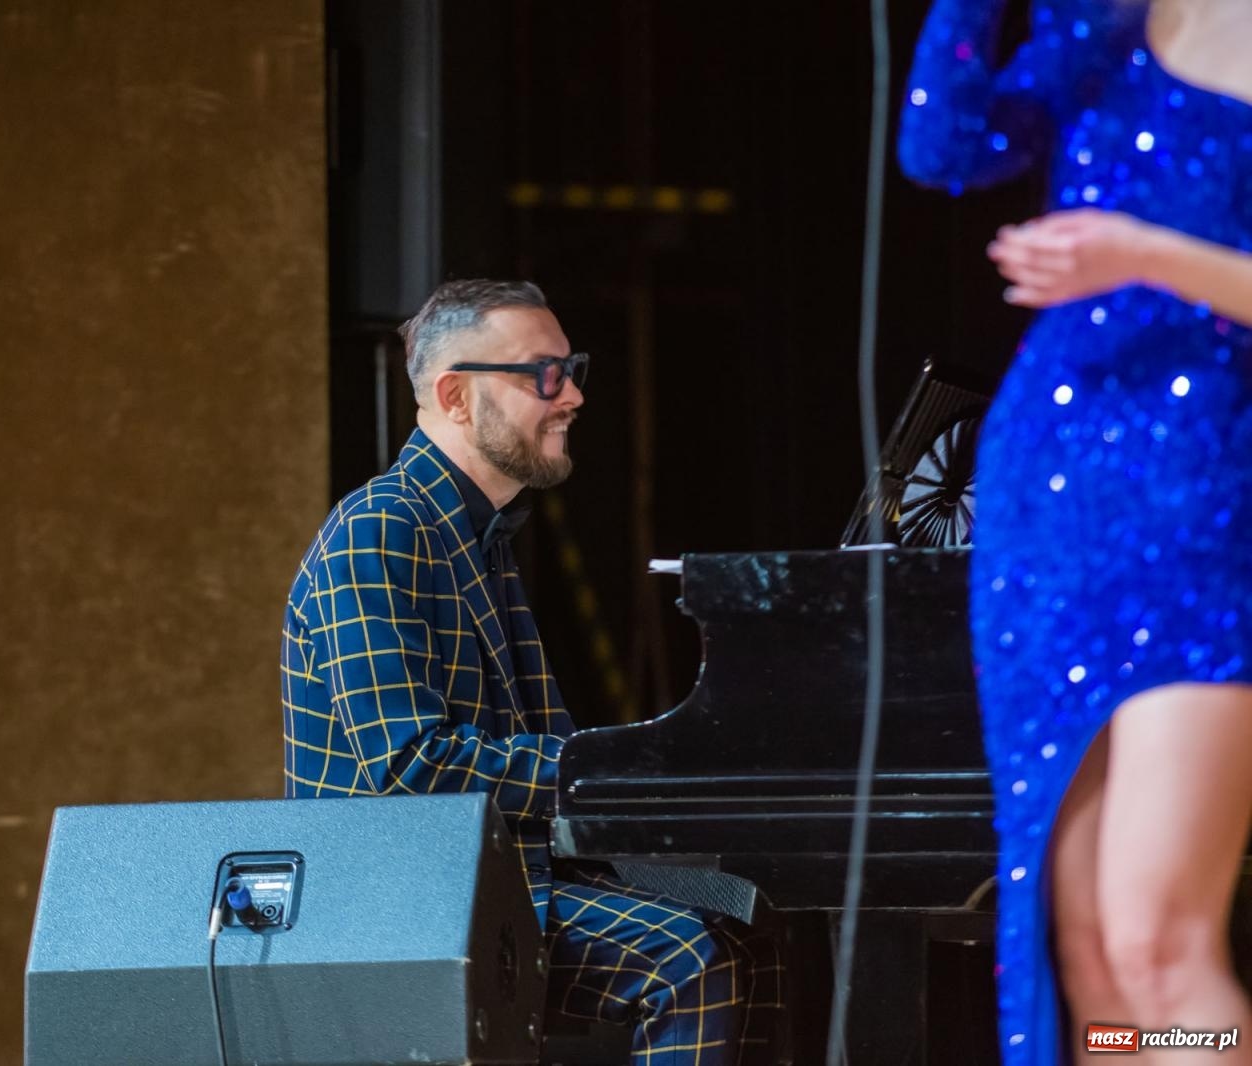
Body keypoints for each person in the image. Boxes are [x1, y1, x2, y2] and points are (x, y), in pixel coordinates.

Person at [282, 278, 778, 1064]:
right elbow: (410, 764)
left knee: (750, 927)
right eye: (544, 374)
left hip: (490, 876)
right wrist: (622, 768)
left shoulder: (474, 536)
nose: (573, 395)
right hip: (403, 899)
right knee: (688, 959)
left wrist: (648, 786)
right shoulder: (379, 528)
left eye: (571, 369)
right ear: (455, 395)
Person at [899, 0, 1252, 1061]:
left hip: (1206, 491)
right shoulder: (1097, 25)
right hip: (1048, 493)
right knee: (1086, 951)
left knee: (1156, 943)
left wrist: (1147, 252)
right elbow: (943, 148)